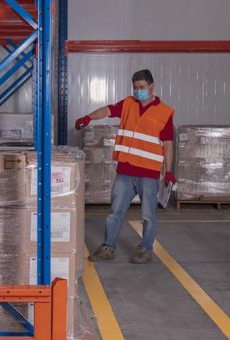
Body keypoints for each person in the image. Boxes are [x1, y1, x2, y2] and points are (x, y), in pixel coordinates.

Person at [75, 69, 175, 264]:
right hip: (125, 171)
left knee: (148, 215)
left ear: (151, 86)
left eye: (142, 87)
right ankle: (108, 247)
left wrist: (169, 171)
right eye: (135, 88)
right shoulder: (128, 104)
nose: (138, 91)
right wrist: (88, 117)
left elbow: (168, 145)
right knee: (115, 212)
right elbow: (107, 110)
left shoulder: (164, 112)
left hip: (148, 173)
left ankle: (145, 249)